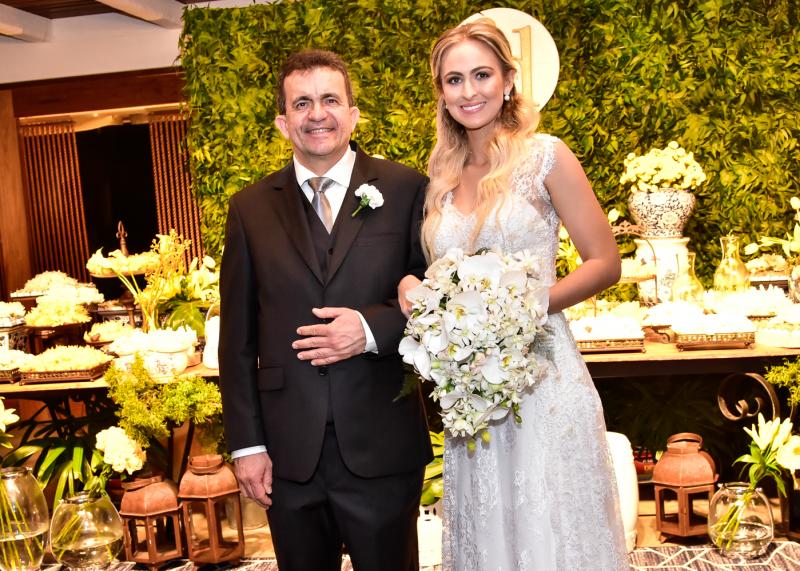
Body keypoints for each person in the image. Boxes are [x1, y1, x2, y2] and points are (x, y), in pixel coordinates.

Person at [398, 20, 630, 570]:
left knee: (549, 530)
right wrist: (415, 289)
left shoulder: (546, 157)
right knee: (490, 531)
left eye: (482, 75)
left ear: (507, 80)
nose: (469, 91)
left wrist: (524, 308)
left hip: (544, 376)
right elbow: (439, 275)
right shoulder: (440, 175)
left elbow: (605, 262)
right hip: (470, 389)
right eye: (454, 80)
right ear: (441, 93)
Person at [219, 49, 432, 571]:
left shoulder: (408, 189)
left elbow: (438, 292)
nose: (318, 114)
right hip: (288, 455)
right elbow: (237, 339)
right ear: (283, 122)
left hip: (382, 441)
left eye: (331, 100)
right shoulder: (249, 209)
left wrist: (370, 328)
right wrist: (246, 445)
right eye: (302, 103)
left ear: (353, 114)